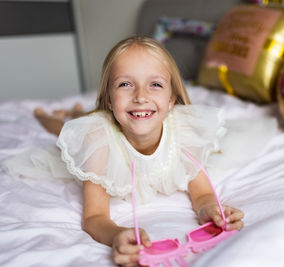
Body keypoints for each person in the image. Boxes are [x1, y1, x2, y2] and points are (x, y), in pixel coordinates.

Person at [24, 36, 249, 266]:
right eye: (125, 84)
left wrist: (211, 209)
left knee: (81, 118)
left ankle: (76, 110)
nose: (141, 96)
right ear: (110, 100)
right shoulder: (98, 141)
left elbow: (202, 194)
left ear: (171, 99)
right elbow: (94, 217)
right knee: (66, 129)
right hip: (96, 126)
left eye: (155, 84)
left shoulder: (184, 131)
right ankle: (47, 115)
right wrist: (116, 235)